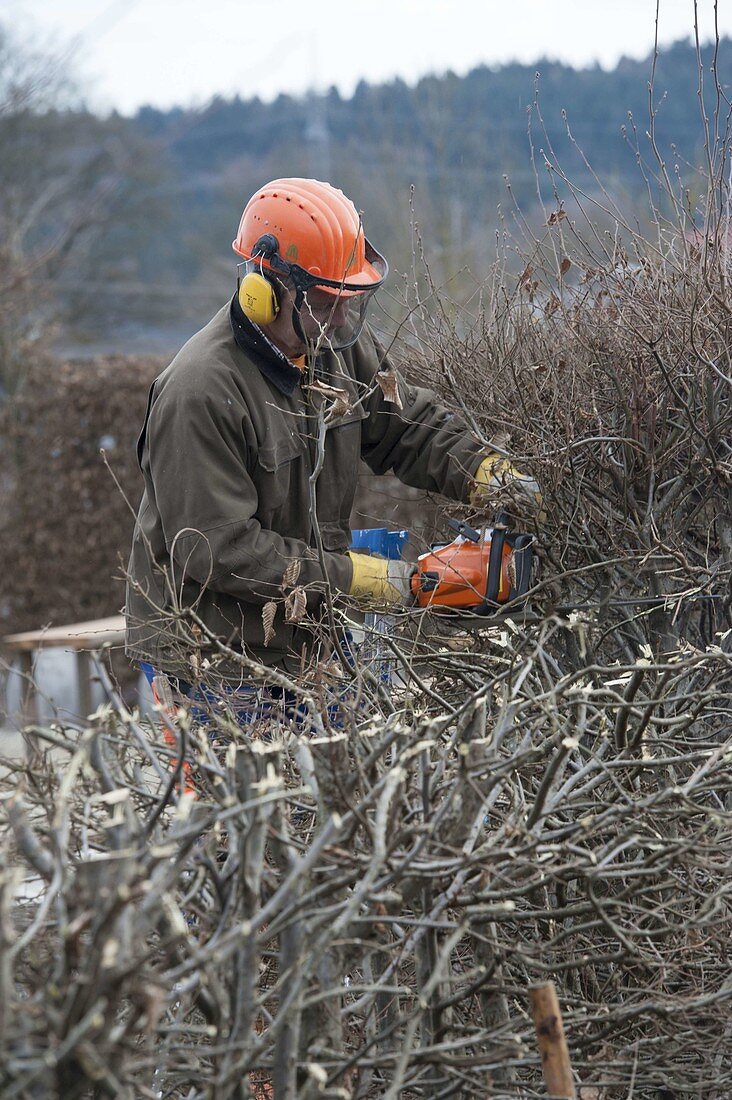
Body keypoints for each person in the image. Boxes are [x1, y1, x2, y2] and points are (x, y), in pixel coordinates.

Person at [125, 177, 539, 706]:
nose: (341, 318)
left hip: (311, 634)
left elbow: (407, 427)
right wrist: (372, 581)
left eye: (348, 300)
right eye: (324, 301)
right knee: (267, 789)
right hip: (215, 656)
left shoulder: (330, 344)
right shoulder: (200, 393)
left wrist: (494, 478)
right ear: (265, 292)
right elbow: (218, 550)